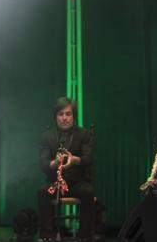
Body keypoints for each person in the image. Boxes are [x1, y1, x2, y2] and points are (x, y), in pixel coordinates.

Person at [38, 97, 95, 242]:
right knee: (42, 192)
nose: (64, 118)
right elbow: (43, 163)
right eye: (61, 114)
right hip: (55, 183)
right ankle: (47, 237)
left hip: (76, 182)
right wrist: (54, 163)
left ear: (74, 116)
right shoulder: (47, 136)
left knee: (88, 191)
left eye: (68, 114)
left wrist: (74, 160)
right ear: (55, 116)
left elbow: (89, 159)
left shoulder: (84, 134)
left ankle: (85, 237)